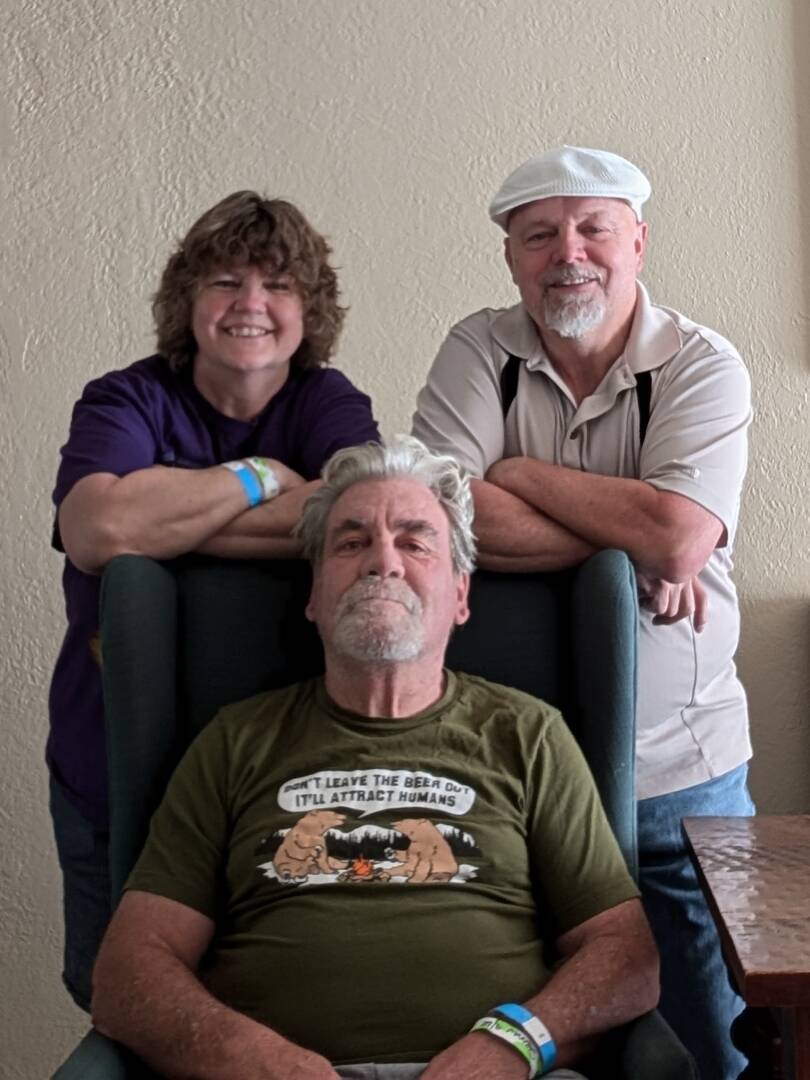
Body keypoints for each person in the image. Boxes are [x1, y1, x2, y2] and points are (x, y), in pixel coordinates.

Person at [90, 436, 659, 1080]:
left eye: (415, 543)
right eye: (351, 542)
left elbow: (625, 954)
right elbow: (127, 969)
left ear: (461, 594)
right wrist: (255, 1060)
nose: (382, 562)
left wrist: (510, 1047)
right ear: (314, 594)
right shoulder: (235, 741)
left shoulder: (528, 735)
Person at [412, 145, 754, 1079]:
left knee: (716, 1050)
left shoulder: (702, 363)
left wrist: (515, 473)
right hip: (513, 776)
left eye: (594, 229)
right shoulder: (477, 350)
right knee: (534, 1042)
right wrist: (626, 540)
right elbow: (436, 517)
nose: (569, 253)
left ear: (637, 242)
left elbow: (679, 537)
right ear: (511, 257)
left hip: (680, 773)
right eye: (540, 235)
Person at [49, 191, 380, 1012]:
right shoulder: (124, 400)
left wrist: (166, 521)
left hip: (280, 778)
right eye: (226, 281)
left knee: (269, 1008)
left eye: (278, 285)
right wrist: (260, 478)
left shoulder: (329, 403)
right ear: (186, 299)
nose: (250, 305)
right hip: (114, 766)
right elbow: (97, 529)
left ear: (310, 308)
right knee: (122, 1006)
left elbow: (359, 517)